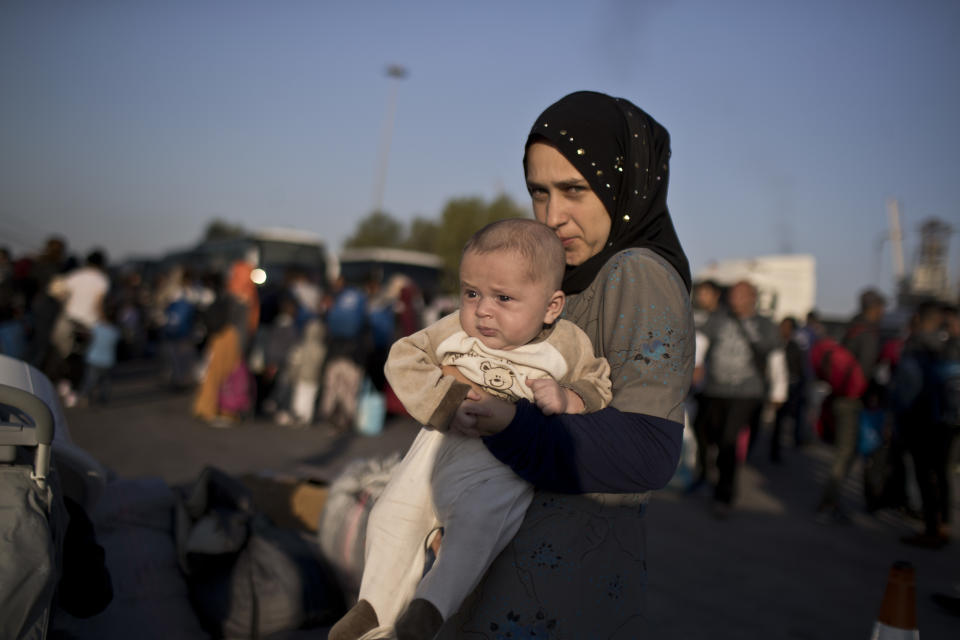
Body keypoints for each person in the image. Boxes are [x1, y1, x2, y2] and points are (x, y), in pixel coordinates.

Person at [440, 91, 691, 638]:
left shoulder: (635, 273)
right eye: (539, 192)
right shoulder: (562, 277)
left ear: (625, 186)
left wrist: (513, 426)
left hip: (558, 588)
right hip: (506, 562)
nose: (553, 217)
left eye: (575, 190)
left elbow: (650, 448)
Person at [328, 219, 613, 640]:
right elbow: (403, 358)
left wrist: (569, 398)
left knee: (476, 531)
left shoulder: (566, 343)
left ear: (551, 306)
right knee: (392, 514)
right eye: (471, 293)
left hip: (497, 466)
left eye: (503, 298)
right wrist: (444, 401)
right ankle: (374, 608)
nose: (482, 310)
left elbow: (599, 381)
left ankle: (427, 610)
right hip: (436, 448)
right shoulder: (453, 330)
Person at [696, 280, 780, 516]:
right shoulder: (719, 318)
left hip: (746, 393)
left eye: (741, 296)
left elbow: (775, 358)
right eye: (733, 295)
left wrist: (778, 392)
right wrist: (697, 365)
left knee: (729, 440)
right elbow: (701, 343)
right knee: (708, 433)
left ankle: (724, 493)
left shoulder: (765, 325)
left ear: (753, 298)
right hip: (714, 389)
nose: (735, 300)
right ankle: (708, 473)